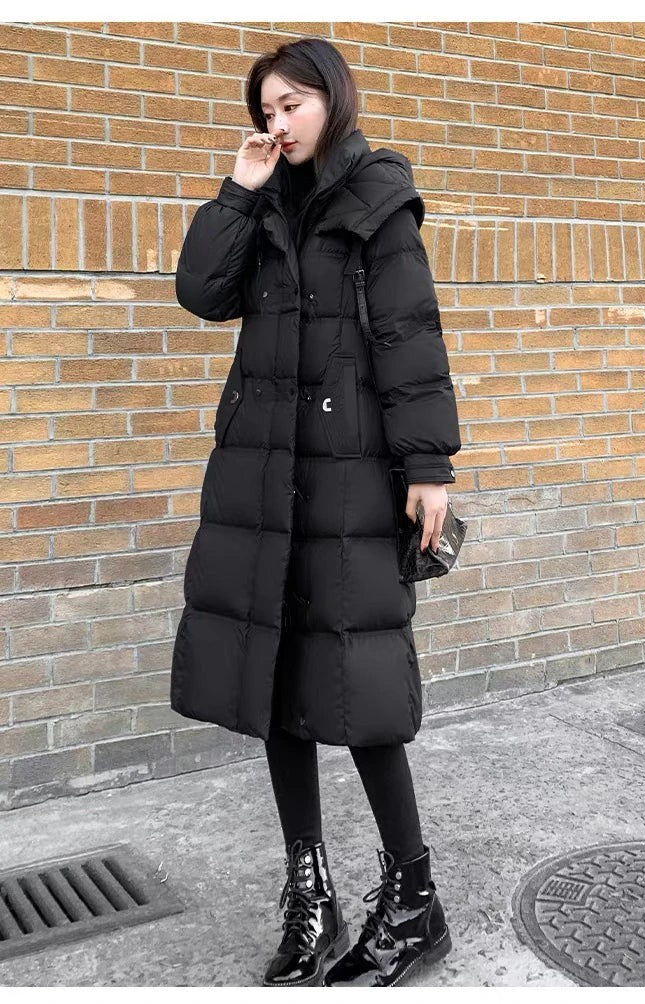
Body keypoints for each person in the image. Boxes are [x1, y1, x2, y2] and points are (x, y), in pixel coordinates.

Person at [170, 37, 461, 987]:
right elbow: (200, 293)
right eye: (267, 108)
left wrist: (429, 464)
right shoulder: (262, 203)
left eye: (292, 104)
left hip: (349, 479)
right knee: (275, 682)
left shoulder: (378, 198)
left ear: (332, 100)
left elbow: (410, 333)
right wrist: (238, 189)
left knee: (360, 684)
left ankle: (413, 899)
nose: (277, 122)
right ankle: (312, 894)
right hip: (264, 479)